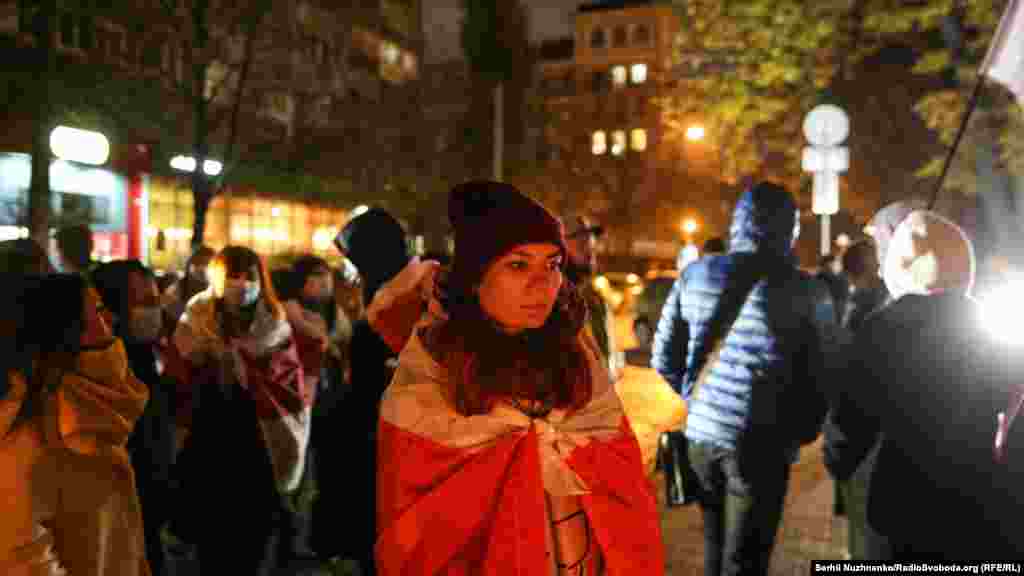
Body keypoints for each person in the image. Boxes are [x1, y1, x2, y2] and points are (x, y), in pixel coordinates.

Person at [372, 180, 664, 574]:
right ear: (476, 276)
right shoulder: (432, 369)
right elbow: (418, 526)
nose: (541, 284)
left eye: (553, 265)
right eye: (518, 265)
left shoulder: (575, 353)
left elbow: (620, 470)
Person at [651, 182, 833, 576]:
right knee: (747, 560)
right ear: (789, 229)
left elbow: (662, 355)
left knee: (714, 547)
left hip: (701, 439)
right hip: (761, 443)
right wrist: (802, 431)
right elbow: (822, 374)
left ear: (738, 223)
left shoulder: (695, 274)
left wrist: (699, 401)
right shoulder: (804, 289)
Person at [824, 210, 1024, 558]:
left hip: (897, 507)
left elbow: (849, 420)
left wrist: (838, 461)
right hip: (975, 506)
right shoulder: (991, 326)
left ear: (902, 266)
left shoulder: (881, 329)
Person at [168, 246, 311, 575]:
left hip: (258, 444)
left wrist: (247, 369)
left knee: (254, 541)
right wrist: (210, 364)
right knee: (210, 542)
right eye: (234, 275)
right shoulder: (195, 319)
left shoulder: (275, 325)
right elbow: (176, 379)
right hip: (207, 442)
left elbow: (289, 386)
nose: (242, 283)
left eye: (250, 276)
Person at [1, 272, 152, 576]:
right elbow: (23, 558)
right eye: (97, 309)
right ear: (67, 329)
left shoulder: (91, 404)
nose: (110, 317)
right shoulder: (28, 428)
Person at [319, 207, 416, 572]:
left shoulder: (385, 316)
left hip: (386, 459)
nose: (352, 276)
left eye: (355, 264)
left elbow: (364, 396)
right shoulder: (422, 298)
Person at [91, 261, 177, 576]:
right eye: (145, 303)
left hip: (148, 519)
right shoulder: (103, 372)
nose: (155, 311)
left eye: (156, 301)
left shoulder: (148, 355)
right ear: (111, 311)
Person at [562, 213, 622, 380]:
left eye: (591, 242)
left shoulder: (594, 294)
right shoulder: (552, 296)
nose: (590, 249)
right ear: (560, 246)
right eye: (581, 243)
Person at [163, 245, 215, 326]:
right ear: (190, 264)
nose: (203, 268)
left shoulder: (214, 291)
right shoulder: (176, 289)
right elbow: (175, 316)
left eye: (208, 264)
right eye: (199, 263)